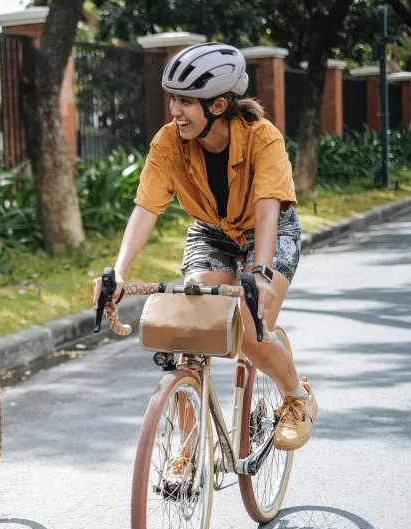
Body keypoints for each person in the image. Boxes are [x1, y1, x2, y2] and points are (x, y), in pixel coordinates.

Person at [94, 42, 317, 453]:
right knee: (188, 329)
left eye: (185, 101)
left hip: (266, 232)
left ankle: (297, 398)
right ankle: (191, 450)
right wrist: (119, 271)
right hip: (211, 230)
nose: (174, 109)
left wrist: (261, 274)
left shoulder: (262, 138)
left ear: (216, 105)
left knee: (250, 332)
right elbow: (146, 207)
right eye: (172, 99)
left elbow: (268, 209)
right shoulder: (168, 143)